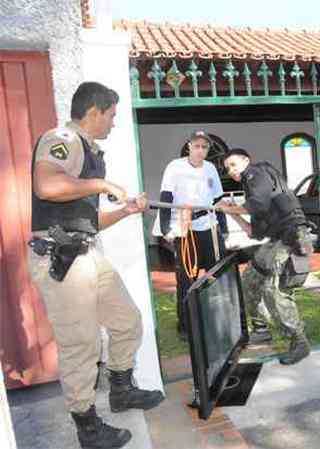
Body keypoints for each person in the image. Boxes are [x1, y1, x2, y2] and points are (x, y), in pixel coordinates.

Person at [28, 81, 164, 449]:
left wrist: (125, 210)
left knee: (127, 321)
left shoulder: (88, 151)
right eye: (112, 115)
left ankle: (121, 391)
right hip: (60, 258)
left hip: (84, 252)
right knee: (81, 344)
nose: (114, 123)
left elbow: (86, 220)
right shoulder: (63, 139)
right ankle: (87, 427)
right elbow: (46, 185)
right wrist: (101, 183)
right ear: (94, 112)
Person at [216, 148, 314, 365]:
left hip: (292, 237)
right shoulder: (250, 185)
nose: (231, 171)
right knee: (250, 280)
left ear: (246, 161)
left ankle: (299, 342)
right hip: (275, 240)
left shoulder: (256, 173)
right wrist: (230, 212)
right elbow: (254, 231)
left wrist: (230, 208)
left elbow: (258, 205)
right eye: (227, 168)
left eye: (233, 165)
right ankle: (261, 330)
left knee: (273, 290)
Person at [158, 130, 227, 337]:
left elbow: (218, 199)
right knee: (186, 278)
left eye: (204, 147)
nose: (200, 150)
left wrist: (223, 228)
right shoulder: (174, 167)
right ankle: (186, 326)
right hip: (185, 227)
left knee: (217, 274)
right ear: (189, 146)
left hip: (209, 225)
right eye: (196, 146)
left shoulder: (211, 168)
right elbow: (165, 197)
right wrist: (165, 229)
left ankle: (217, 319)